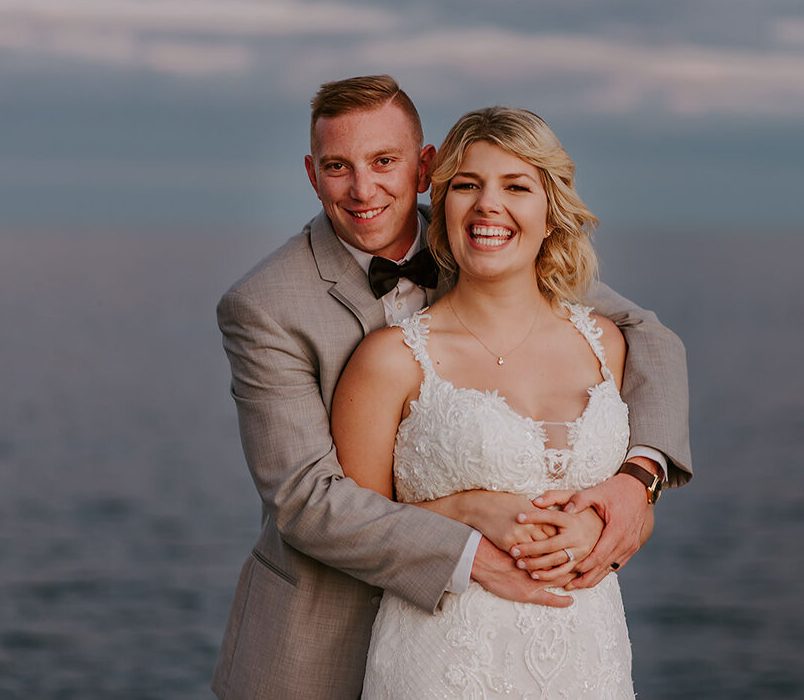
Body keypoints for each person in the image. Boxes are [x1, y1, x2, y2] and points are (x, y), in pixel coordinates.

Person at [211, 76, 692, 699]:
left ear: (423, 166)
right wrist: (470, 530)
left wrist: (637, 480)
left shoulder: (482, 232)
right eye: (338, 167)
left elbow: (642, 333)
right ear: (312, 173)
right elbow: (307, 499)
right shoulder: (264, 305)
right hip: (323, 639)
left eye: (385, 161)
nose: (364, 189)